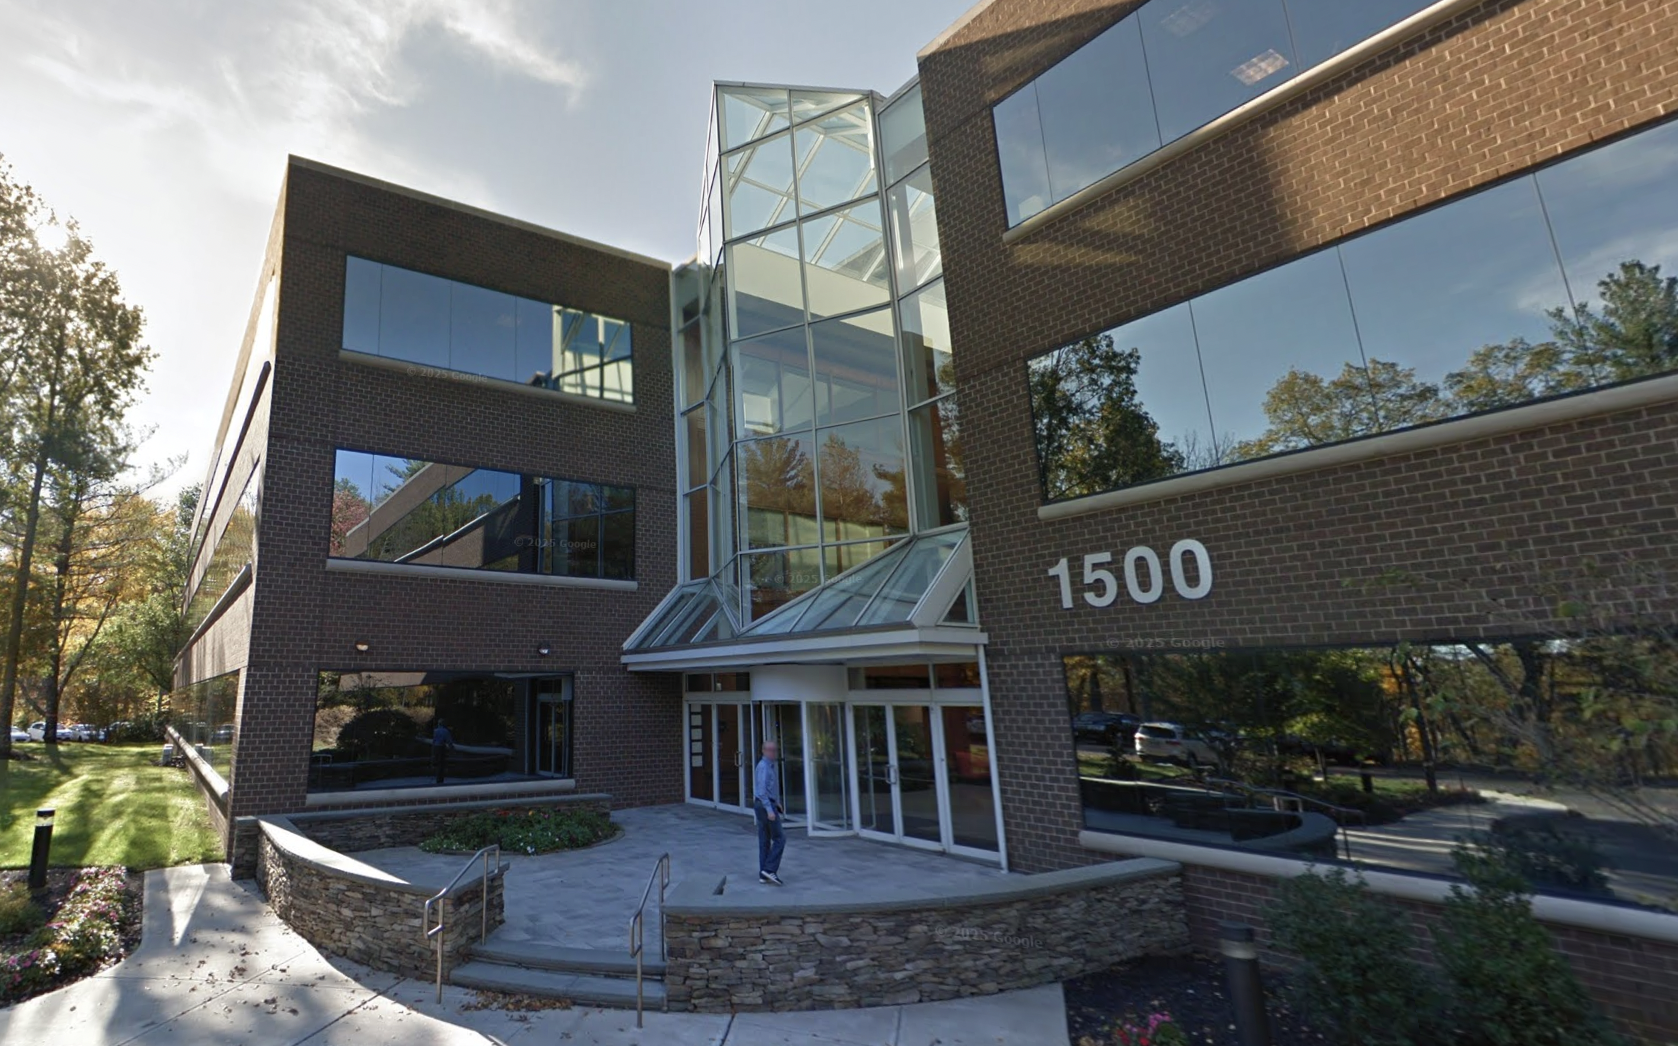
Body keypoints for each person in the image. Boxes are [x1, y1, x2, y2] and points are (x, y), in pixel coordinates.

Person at [753, 739, 786, 885]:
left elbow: (769, 788)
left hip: (767, 803)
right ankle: (770, 869)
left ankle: (763, 874)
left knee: (765, 840)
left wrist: (777, 802)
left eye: (774, 750)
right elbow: (761, 791)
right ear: (763, 751)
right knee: (780, 838)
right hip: (764, 805)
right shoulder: (764, 766)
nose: (773, 753)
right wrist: (769, 810)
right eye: (770, 750)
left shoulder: (769, 766)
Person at [431, 718, 455, 784]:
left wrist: (432, 751)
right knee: (441, 764)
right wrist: (452, 749)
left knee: (437, 763)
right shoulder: (445, 731)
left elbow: (434, 741)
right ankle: (440, 780)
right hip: (441, 748)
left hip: (436, 747)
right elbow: (449, 741)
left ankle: (438, 779)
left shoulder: (435, 731)